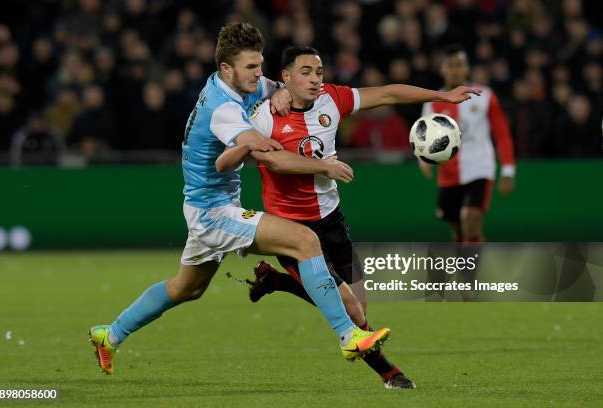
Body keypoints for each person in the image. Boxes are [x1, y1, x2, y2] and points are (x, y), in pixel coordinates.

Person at [88, 22, 389, 375]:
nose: (257, 74)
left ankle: (109, 335)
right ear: (226, 69)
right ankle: (347, 336)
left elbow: (277, 87)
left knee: (186, 288)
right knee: (304, 240)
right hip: (213, 211)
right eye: (251, 67)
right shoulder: (222, 108)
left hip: (208, 206)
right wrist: (278, 149)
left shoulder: (243, 82)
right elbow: (250, 146)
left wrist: (279, 91)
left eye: (260, 66)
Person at [215, 45, 479, 388]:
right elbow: (273, 162)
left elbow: (386, 93)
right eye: (306, 72)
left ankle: (276, 281)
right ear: (286, 77)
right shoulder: (265, 117)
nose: (314, 79)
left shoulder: (332, 99)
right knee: (351, 311)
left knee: (360, 307)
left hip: (332, 220)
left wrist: (442, 95)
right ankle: (391, 374)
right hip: (292, 230)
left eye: (319, 72)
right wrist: (324, 165)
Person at [419, 45, 516, 244]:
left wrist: (508, 170)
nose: (455, 69)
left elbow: (502, 133)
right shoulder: (431, 103)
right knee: (457, 230)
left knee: (470, 219)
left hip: (480, 166)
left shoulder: (485, 96)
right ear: (442, 69)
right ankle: (467, 266)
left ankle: (472, 275)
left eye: (459, 65)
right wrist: (424, 160)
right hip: (449, 173)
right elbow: (424, 138)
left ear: (467, 68)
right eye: (450, 65)